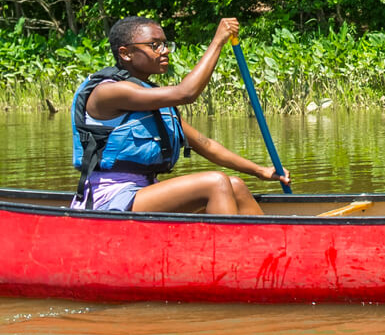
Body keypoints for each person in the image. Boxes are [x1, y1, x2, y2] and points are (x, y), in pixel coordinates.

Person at [70, 17, 289, 214]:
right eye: (154, 45)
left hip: (145, 190)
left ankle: (268, 250)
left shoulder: (151, 98)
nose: (164, 51)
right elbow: (186, 93)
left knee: (236, 186)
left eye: (165, 45)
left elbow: (206, 144)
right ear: (125, 53)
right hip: (109, 198)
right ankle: (227, 254)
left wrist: (260, 171)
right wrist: (217, 42)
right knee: (215, 182)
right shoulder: (110, 92)